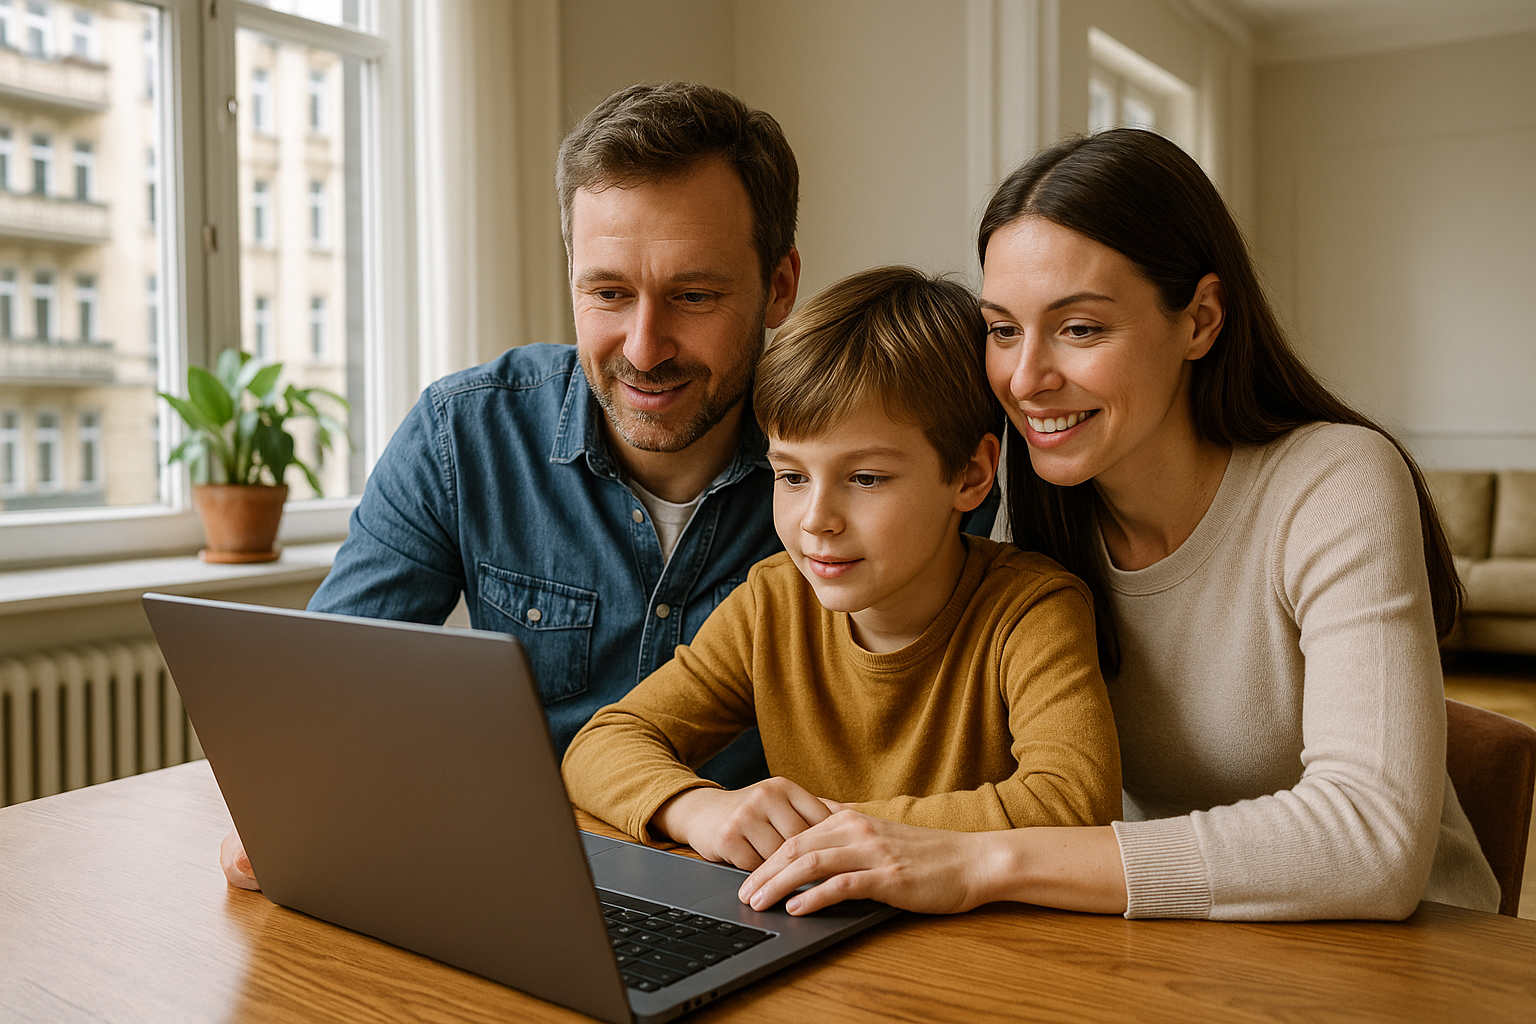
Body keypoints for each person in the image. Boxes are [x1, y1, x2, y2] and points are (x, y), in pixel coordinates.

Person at [218, 84, 992, 890]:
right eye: (608, 293)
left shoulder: (883, 474)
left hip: (776, 900)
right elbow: (328, 698)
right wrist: (293, 798)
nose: (645, 347)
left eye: (694, 295)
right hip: (521, 883)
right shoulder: (465, 434)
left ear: (779, 287)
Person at [734, 129, 1502, 921]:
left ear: (1200, 319)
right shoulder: (1027, 516)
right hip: (1163, 946)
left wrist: (984, 859)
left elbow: (1370, 843)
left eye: (1081, 329)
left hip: (1412, 955)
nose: (1027, 379)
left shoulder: (1334, 482)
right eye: (1002, 330)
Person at [561, 266, 1121, 868]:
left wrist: (828, 829)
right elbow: (601, 743)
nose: (816, 520)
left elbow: (1075, 803)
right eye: (792, 476)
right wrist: (700, 809)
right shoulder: (771, 605)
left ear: (971, 475)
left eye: (865, 478)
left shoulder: (1032, 610)